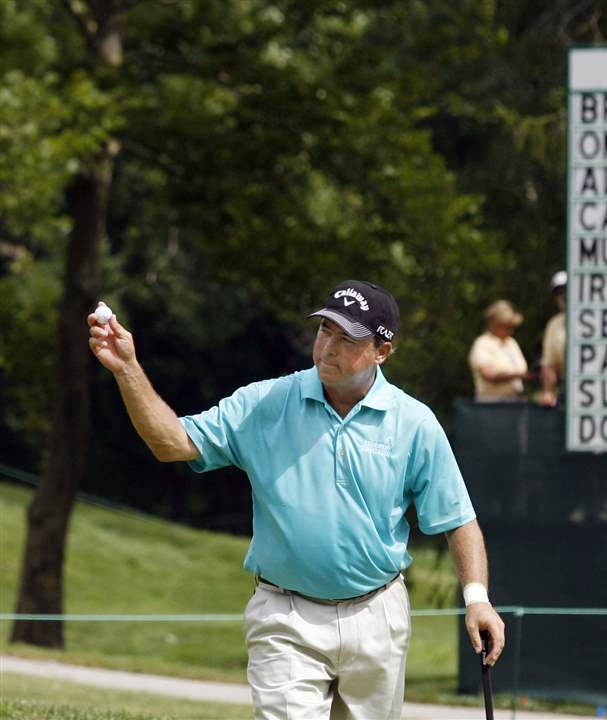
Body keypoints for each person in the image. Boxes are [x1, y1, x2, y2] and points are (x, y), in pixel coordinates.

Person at [87, 280, 505, 720]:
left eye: (348, 339)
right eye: (325, 331)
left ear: (382, 351)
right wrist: (127, 369)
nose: (328, 348)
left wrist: (477, 599)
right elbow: (172, 442)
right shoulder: (266, 402)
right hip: (286, 615)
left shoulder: (415, 423)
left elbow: (459, 520)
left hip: (377, 614)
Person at [468, 299, 530, 401]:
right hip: (493, 405)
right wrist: (518, 375)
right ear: (494, 324)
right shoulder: (482, 343)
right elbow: (488, 375)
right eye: (506, 327)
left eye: (512, 327)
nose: (511, 331)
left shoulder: (511, 343)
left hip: (516, 402)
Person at [538, 270, 566, 407]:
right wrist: (549, 391)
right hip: (569, 390)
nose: (563, 295)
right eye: (558, 292)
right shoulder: (554, 324)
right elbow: (549, 364)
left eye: (566, 290)